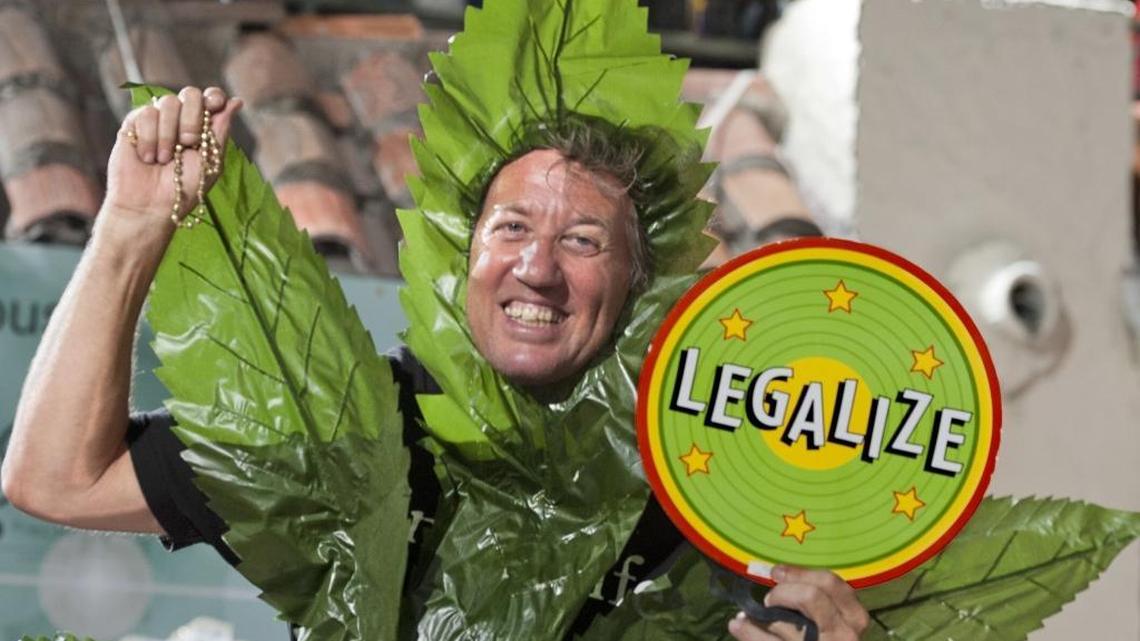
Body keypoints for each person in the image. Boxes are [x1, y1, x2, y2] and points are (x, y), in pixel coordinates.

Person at [2, 81, 867, 641]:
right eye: (513, 228)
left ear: (635, 285)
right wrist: (127, 228)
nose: (537, 266)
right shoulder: (344, 426)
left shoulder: (703, 488)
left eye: (582, 238)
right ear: (466, 260)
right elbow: (58, 478)